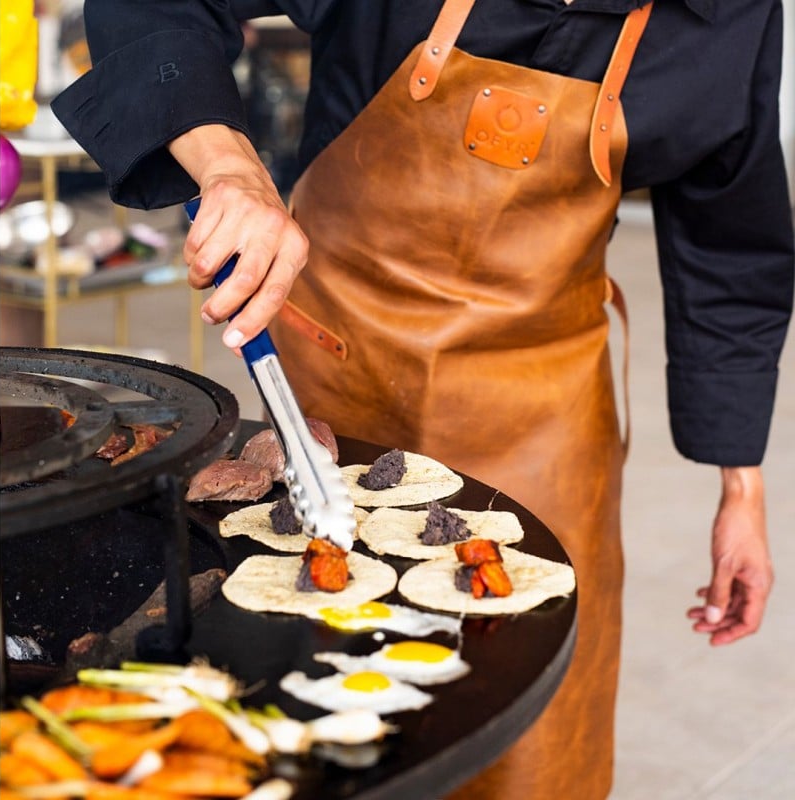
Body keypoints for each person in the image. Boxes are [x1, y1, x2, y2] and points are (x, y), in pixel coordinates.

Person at [52, 1, 794, 797]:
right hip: (337, 385)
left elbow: (728, 247)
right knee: (314, 705)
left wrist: (740, 487)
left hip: (545, 415)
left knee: (533, 738)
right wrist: (228, 164)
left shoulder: (725, 17)